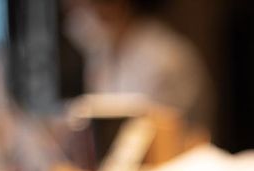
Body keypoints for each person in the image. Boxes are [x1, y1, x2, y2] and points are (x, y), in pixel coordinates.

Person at [63, 0, 213, 128]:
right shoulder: (101, 52)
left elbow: (157, 133)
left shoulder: (163, 59)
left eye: (77, 9)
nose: (72, 21)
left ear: (113, 5)